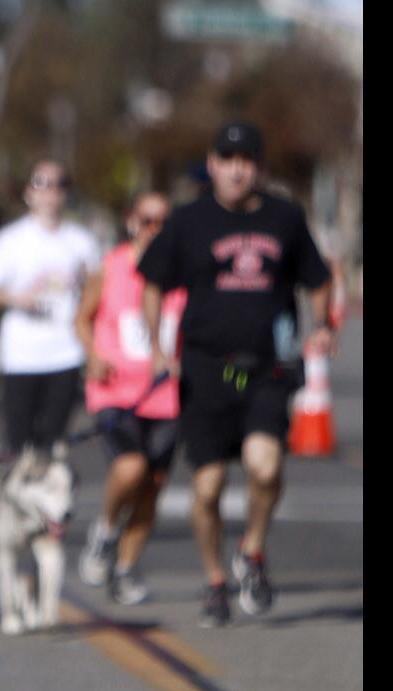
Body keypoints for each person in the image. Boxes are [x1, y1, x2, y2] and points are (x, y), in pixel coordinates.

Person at [137, 121, 334, 627]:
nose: (237, 168)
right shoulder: (188, 220)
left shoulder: (285, 218)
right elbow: (153, 283)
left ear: (260, 167)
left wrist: (321, 328)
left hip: (265, 367)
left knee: (265, 467)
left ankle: (252, 550)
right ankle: (215, 580)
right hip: (204, 368)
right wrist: (160, 348)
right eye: (227, 158)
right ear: (212, 163)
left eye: (247, 158)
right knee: (206, 489)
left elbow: (318, 279)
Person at [75, 192, 185, 605]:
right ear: (131, 221)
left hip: (166, 395)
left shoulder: (181, 272)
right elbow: (81, 320)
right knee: (130, 467)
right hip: (116, 392)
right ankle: (104, 532)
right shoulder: (111, 266)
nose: (154, 229)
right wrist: (94, 356)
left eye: (163, 222)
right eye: (147, 220)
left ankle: (125, 567)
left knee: (153, 485)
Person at [0, 160, 101, 454]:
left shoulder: (81, 241)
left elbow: (98, 287)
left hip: (65, 353)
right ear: (28, 192)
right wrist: (14, 298)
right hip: (21, 355)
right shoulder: (11, 239)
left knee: (54, 444)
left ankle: (49, 498)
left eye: (57, 184)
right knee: (18, 446)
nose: (49, 192)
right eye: (40, 183)